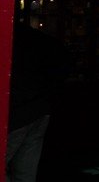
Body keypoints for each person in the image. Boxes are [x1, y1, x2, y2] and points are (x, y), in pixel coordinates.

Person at [5, 20, 66, 182]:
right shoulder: (36, 38)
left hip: (17, 112)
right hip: (38, 109)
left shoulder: (9, 39)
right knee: (26, 170)